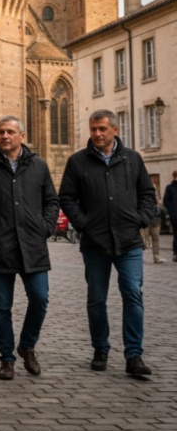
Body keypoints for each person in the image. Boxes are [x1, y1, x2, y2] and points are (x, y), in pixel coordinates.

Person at [59, 109, 157, 378]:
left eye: (102, 129)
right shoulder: (78, 161)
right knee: (96, 299)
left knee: (133, 295)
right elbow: (66, 197)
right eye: (93, 129)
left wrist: (141, 219)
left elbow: (148, 194)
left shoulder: (132, 159)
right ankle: (100, 349)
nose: (97, 134)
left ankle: (134, 355)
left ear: (115, 129)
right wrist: (83, 222)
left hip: (129, 241)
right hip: (95, 242)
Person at [0, 116, 59, 380]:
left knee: (40, 298)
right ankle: (7, 358)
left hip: (33, 245)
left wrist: (44, 227)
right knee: (2, 307)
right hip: (1, 246)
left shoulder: (39, 166)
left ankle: (27, 346)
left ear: (22, 135)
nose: (5, 136)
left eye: (10, 131)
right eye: (1, 131)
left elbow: (51, 201)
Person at [140, 188, 163, 263]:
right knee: (143, 240)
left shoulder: (158, 199)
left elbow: (161, 209)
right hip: (145, 221)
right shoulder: (145, 197)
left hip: (156, 221)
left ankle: (156, 257)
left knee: (156, 239)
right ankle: (140, 257)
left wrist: (159, 205)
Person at [164, 171, 177, 261]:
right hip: (175, 216)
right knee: (176, 235)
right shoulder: (170, 187)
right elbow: (166, 201)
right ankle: (175, 253)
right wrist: (172, 211)